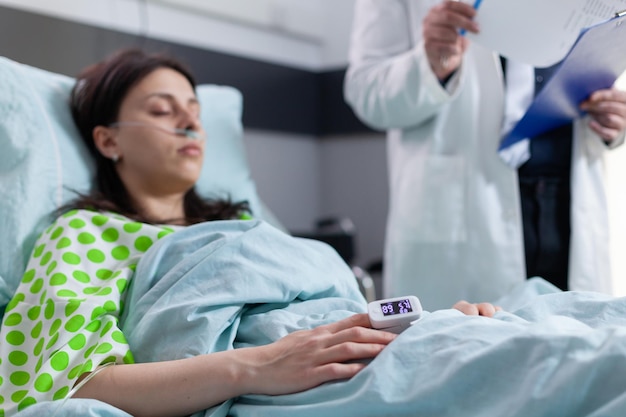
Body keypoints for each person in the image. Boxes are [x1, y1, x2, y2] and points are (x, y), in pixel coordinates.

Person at [0, 48, 499, 417]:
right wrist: (259, 366)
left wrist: (422, 321)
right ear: (108, 140)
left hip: (359, 355)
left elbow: (333, 320)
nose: (189, 123)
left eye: (194, 109)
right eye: (161, 110)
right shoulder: (85, 233)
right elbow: (66, 387)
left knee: (505, 337)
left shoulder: (242, 226)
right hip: (289, 385)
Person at [343, 0, 626, 310]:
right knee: (464, 349)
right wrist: (429, 64)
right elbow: (365, 92)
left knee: (578, 345)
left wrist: (616, 119)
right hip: (466, 216)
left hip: (567, 211)